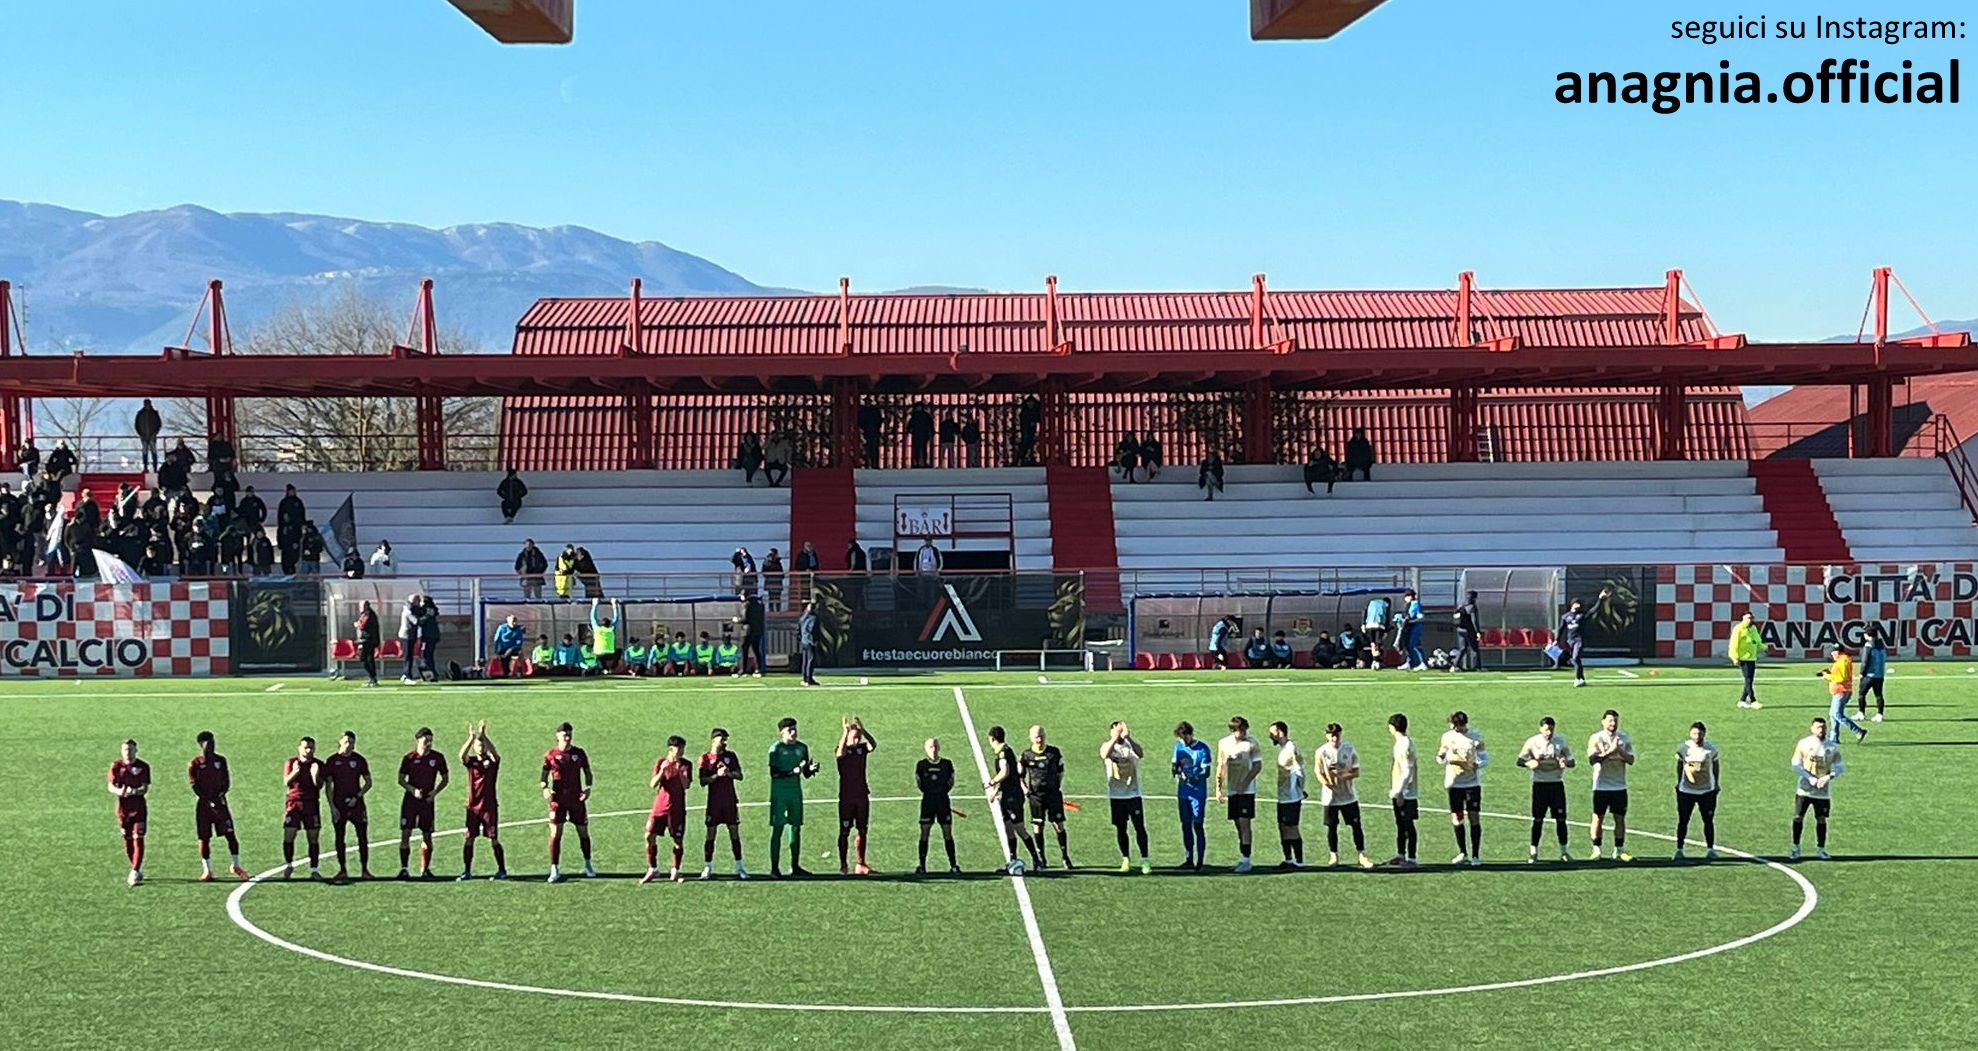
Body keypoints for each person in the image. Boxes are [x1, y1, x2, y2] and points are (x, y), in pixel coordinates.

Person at [188, 731, 249, 882]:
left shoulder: (221, 761)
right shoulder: (195, 764)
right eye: (209, 743)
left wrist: (220, 796)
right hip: (204, 806)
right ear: (202, 744)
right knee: (204, 838)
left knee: (230, 834)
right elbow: (194, 786)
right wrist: (207, 800)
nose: (213, 745)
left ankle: (236, 865)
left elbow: (226, 782)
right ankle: (207, 870)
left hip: (220, 804)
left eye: (213, 742)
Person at [540, 722, 595, 883]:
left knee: (583, 832)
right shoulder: (550, 755)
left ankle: (588, 864)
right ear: (557, 736)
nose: (568, 737)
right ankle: (554, 869)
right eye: (565, 735)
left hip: (576, 800)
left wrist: (588, 788)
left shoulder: (579, 753)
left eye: (570, 734)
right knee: (555, 834)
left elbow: (588, 773)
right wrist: (545, 789)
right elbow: (543, 777)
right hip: (558, 801)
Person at [1316, 722, 1376, 869]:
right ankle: (1334, 855)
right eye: (1331, 735)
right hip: (1330, 798)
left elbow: (1356, 772)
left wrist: (1342, 775)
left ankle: (1361, 855)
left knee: (1356, 826)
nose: (1334, 738)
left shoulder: (1349, 749)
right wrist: (1327, 783)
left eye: (1337, 734)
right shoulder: (1321, 752)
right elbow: (1318, 772)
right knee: (1332, 827)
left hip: (1348, 796)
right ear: (1326, 735)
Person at [986, 726, 1046, 873]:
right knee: (1008, 829)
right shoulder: (1003, 752)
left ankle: (1037, 860)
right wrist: (996, 791)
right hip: (1007, 795)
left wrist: (991, 782)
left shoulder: (1003, 753)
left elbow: (1005, 772)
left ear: (992, 739)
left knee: (1019, 829)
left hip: (1013, 797)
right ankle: (1012, 861)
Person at [1516, 716, 1575, 863]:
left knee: (1561, 819)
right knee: (1538, 819)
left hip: (1556, 784)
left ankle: (1564, 852)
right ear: (1540, 729)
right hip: (1540, 785)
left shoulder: (1560, 741)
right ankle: (1533, 852)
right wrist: (1530, 763)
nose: (1549, 733)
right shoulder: (1532, 742)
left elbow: (1572, 761)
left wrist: (1565, 762)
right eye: (1547, 729)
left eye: (1551, 730)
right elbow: (1520, 760)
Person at [1436, 710, 1488, 866]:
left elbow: (1485, 758)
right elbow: (1440, 757)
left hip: (1472, 784)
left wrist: (1477, 765)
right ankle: (1463, 853)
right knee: (1457, 818)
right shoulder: (1447, 737)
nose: (1455, 728)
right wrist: (1442, 757)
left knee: (1474, 817)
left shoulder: (1475, 737)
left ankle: (1476, 855)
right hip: (1454, 784)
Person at [767, 717, 817, 879]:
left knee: (796, 827)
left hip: (795, 793)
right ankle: (774, 868)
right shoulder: (776, 749)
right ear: (781, 732)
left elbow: (805, 773)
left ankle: (795, 866)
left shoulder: (802, 748)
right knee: (778, 828)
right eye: (790, 730)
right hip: (779, 794)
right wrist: (793, 772)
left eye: (795, 729)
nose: (794, 733)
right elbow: (774, 773)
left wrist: (810, 769)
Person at [396, 727, 449, 879]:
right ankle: (404, 868)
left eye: (431, 741)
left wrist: (435, 792)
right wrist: (412, 790)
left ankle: (425, 869)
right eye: (426, 740)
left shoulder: (437, 758)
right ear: (418, 740)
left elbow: (445, 778)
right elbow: (401, 779)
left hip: (427, 802)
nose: (429, 743)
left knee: (427, 835)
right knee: (406, 834)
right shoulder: (409, 758)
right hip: (410, 802)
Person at [1020, 724, 1074, 869]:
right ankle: (1041, 857)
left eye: (1041, 736)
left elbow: (1060, 772)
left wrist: (1056, 786)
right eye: (1037, 737)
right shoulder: (1026, 755)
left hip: (1053, 795)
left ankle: (1065, 856)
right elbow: (1020, 776)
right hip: (1036, 797)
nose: (1039, 739)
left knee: (1059, 825)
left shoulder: (1054, 753)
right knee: (1038, 826)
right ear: (1031, 738)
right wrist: (1025, 790)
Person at [698, 728, 749, 880]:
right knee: (710, 834)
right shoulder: (705, 758)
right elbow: (702, 781)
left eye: (726, 739)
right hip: (714, 803)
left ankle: (739, 867)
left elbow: (740, 775)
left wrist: (728, 773)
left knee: (734, 833)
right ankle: (707, 867)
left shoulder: (731, 756)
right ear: (714, 740)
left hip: (730, 801)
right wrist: (716, 776)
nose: (725, 742)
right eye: (722, 739)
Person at [642, 735, 694, 885]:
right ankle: (653, 868)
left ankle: (675, 870)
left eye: (683, 748)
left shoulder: (686, 765)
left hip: (677, 810)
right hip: (660, 808)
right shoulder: (661, 762)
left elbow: (686, 786)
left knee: (678, 841)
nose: (682, 751)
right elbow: (653, 784)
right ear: (671, 749)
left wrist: (680, 773)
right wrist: (662, 771)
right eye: (679, 748)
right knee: (649, 836)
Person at [1101, 721, 1151, 874]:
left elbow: (1140, 754)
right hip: (1116, 796)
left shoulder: (1130, 746)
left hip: (1133, 795)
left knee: (1139, 827)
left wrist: (1128, 738)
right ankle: (1125, 858)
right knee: (1121, 828)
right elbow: (1105, 754)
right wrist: (1114, 738)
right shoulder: (1107, 745)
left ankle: (1145, 859)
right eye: (1116, 730)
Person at [1215, 716, 1264, 872]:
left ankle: (1246, 860)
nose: (1244, 733)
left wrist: (1246, 782)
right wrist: (1218, 788)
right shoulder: (1224, 743)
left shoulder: (1252, 743)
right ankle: (1243, 857)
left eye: (1245, 730)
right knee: (1237, 824)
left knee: (1244, 823)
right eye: (1241, 730)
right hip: (1232, 790)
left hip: (1247, 791)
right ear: (1233, 730)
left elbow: (1257, 766)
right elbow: (1221, 766)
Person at [324, 730, 374, 882]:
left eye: (352, 742)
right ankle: (342, 870)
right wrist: (332, 807)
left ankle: (365, 870)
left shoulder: (359, 760)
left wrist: (358, 796)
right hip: (339, 805)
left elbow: (368, 782)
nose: (349, 745)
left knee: (362, 836)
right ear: (340, 742)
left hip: (357, 804)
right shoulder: (332, 761)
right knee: (340, 837)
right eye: (346, 742)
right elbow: (328, 786)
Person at [459, 720, 507, 880]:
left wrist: (484, 735)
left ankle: (502, 870)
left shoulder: (492, 762)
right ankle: (467, 871)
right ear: (474, 747)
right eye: (479, 745)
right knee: (469, 839)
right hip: (472, 807)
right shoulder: (471, 762)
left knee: (494, 839)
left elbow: (496, 754)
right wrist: (470, 738)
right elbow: (461, 756)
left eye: (483, 745)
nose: (481, 747)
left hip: (489, 807)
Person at [1586, 708, 1635, 862]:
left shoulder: (1624, 738)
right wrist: (1609, 752)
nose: (1613, 724)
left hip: (1619, 786)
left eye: (1615, 721)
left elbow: (1631, 760)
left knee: (1620, 818)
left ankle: (1619, 850)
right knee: (1598, 817)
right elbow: (1593, 760)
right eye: (1610, 721)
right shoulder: (1596, 738)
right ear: (1603, 722)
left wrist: (1619, 750)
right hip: (1601, 786)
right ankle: (1596, 849)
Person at [1791, 717, 1843, 861]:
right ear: (1812, 729)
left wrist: (1828, 777)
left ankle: (1821, 849)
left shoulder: (1831, 747)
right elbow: (1795, 764)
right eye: (1818, 727)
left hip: (1822, 792)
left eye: (1823, 727)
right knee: (1798, 817)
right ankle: (1795, 848)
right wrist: (1810, 778)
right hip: (1804, 789)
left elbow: (1840, 766)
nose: (1821, 730)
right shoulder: (1804, 743)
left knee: (1821, 819)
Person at [280, 736, 326, 880]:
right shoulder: (291, 762)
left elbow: (320, 785)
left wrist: (315, 775)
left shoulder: (318, 764)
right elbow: (286, 782)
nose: (309, 750)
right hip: (293, 803)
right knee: (289, 834)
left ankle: (314, 869)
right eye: (306, 747)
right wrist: (295, 772)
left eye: (311, 747)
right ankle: (288, 865)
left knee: (313, 837)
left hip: (311, 804)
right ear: (299, 748)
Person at [1674, 721, 1721, 861]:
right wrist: (1679, 783)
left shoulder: (1711, 749)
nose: (1697, 737)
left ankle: (1710, 849)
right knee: (1683, 820)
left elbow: (1716, 765)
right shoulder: (1684, 748)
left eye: (1700, 734)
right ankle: (1679, 849)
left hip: (1706, 791)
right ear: (1690, 734)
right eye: (1694, 733)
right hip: (1686, 791)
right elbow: (1679, 765)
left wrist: (1716, 784)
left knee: (1708, 820)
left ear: (1704, 734)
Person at [835, 716, 877, 875]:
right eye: (855, 737)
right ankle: (843, 865)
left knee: (862, 830)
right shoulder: (842, 749)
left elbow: (873, 745)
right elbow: (839, 754)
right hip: (847, 798)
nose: (857, 739)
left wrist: (863, 730)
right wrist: (845, 733)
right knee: (844, 831)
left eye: (858, 737)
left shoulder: (862, 749)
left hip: (862, 796)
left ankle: (861, 863)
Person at [108, 739, 151, 887]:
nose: (128, 753)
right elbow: (110, 786)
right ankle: (135, 867)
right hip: (123, 810)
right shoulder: (116, 766)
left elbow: (145, 788)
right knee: (127, 840)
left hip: (139, 809)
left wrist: (134, 791)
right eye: (126, 750)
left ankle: (134, 871)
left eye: (131, 750)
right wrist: (119, 791)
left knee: (138, 838)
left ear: (136, 751)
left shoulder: (143, 767)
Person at [915, 738, 961, 875]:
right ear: (926, 749)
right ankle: (922, 866)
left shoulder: (947, 764)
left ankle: (953, 865)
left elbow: (950, 782)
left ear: (939, 747)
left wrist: (941, 792)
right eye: (930, 746)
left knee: (947, 833)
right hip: (928, 802)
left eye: (935, 746)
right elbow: (919, 783)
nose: (933, 749)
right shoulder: (921, 765)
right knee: (924, 833)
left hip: (943, 802)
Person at [1171, 722, 1212, 869]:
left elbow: (1206, 772)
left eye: (1184, 738)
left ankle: (1200, 861)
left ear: (1190, 734)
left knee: (1198, 825)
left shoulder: (1202, 749)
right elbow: (1175, 767)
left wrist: (1194, 777)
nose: (1183, 741)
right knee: (1185, 825)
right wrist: (1177, 773)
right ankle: (1189, 859)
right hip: (1183, 793)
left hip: (1197, 794)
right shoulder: (1178, 747)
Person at [1267, 721, 1306, 869]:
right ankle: (1288, 859)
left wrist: (1300, 789)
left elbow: (1299, 771)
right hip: (1283, 795)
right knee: (1282, 827)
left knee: (1292, 827)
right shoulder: (1284, 749)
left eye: (1272, 733)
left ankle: (1299, 861)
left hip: (1291, 796)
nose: (1270, 736)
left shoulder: (1291, 748)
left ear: (1280, 732)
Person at [1557, 590, 1610, 687]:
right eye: (1576, 603)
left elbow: (1594, 610)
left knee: (1576, 657)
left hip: (1579, 640)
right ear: (1572, 604)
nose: (1578, 605)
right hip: (1570, 641)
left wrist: (1600, 599)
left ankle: (1577, 679)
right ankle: (1582, 679)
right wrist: (1557, 640)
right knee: (1575, 660)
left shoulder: (1582, 615)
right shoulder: (1565, 616)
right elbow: (1561, 629)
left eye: (1579, 604)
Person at [1386, 714, 1419, 867]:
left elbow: (1407, 771)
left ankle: (1411, 859)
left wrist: (1399, 792)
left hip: (1406, 794)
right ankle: (1401, 855)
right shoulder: (1401, 743)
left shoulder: (1404, 745)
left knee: (1408, 825)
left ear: (1393, 727)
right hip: (1400, 791)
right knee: (1400, 824)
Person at [1820, 645, 1869, 744]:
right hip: (1840, 690)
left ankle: (1858, 731)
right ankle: (1834, 738)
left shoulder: (1842, 662)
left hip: (1842, 690)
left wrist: (1827, 676)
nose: (1832, 655)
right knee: (1833, 715)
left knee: (1837, 714)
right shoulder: (1843, 660)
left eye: (1833, 653)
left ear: (1837, 652)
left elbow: (1841, 678)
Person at [1729, 611, 1764, 709]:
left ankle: (1742, 701)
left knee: (1749, 680)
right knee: (1748, 680)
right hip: (1743, 658)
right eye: (1748, 618)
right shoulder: (1738, 629)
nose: (1750, 620)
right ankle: (1753, 701)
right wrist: (1734, 657)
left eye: (1751, 618)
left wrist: (1763, 647)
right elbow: (1733, 644)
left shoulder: (1753, 628)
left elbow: (1757, 641)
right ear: (1743, 619)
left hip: (1752, 658)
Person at [1858, 629, 1889, 724]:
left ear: (1868, 635)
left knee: (1861, 694)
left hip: (1869, 675)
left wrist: (1862, 672)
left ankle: (1861, 713)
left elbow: (1865, 661)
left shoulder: (1868, 646)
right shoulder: (1882, 645)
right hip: (1879, 675)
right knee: (1879, 695)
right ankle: (1880, 714)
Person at [396, 593, 424, 685]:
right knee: (408, 657)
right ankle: (407, 676)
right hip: (406, 636)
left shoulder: (409, 609)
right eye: (418, 601)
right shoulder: (408, 611)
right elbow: (416, 621)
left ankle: (405, 675)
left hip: (409, 635)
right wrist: (426, 616)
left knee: (409, 656)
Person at [353, 599, 381, 687]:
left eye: (361, 606)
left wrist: (357, 624)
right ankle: (373, 678)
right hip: (369, 639)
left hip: (368, 640)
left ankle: (372, 677)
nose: (360, 608)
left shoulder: (368, 614)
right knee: (370, 659)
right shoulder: (369, 614)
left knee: (363, 658)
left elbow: (362, 625)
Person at [1398, 588, 1427, 671]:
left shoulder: (1415, 604)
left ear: (1410, 596)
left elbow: (1419, 616)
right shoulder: (1408, 604)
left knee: (1414, 645)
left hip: (1415, 627)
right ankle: (1409, 662)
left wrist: (1410, 620)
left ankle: (1422, 663)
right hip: (1409, 627)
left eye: (1406, 596)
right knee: (1408, 645)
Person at [1453, 590, 1482, 673]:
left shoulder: (1462, 606)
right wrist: (1477, 632)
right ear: (1474, 598)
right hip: (1468, 630)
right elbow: (1474, 620)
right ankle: (1477, 667)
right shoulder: (1472, 607)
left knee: (1462, 648)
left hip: (1460, 629)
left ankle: (1455, 665)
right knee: (1474, 648)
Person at [589, 598, 621, 673]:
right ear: (609, 624)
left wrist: (594, 604)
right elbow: (616, 619)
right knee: (619, 651)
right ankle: (611, 668)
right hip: (610, 653)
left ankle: (604, 668)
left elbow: (593, 618)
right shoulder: (611, 629)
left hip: (598, 653)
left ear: (602, 624)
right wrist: (614, 604)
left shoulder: (597, 629)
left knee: (599, 657)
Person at [741, 592, 767, 677]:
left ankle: (743, 670)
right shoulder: (760, 605)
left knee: (744, 649)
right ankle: (759, 669)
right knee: (756, 649)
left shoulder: (747, 604)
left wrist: (737, 620)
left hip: (748, 631)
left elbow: (745, 619)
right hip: (758, 630)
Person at [417, 597, 442, 683]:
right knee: (429, 656)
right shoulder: (433, 610)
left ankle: (431, 675)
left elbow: (421, 622)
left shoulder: (427, 610)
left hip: (428, 636)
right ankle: (433, 674)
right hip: (433, 636)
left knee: (426, 656)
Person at [1362, 595, 1391, 666]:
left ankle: (1374, 661)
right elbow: (1387, 618)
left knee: (1373, 644)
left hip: (1369, 625)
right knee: (1378, 644)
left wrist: (1363, 624)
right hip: (1379, 625)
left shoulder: (1371, 603)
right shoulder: (1386, 605)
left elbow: (1364, 612)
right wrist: (1386, 631)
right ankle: (1377, 661)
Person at [798, 600, 820, 686]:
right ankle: (808, 678)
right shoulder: (813, 618)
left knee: (805, 660)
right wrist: (815, 639)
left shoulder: (803, 617)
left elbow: (799, 629)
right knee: (811, 660)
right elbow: (812, 629)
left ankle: (805, 678)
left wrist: (800, 638)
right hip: (810, 641)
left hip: (804, 641)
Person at [859, 402, 885, 467]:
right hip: (872, 432)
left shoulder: (863, 410)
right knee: (873, 449)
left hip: (868, 432)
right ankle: (873, 463)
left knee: (869, 448)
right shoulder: (874, 410)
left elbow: (860, 421)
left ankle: (870, 463)